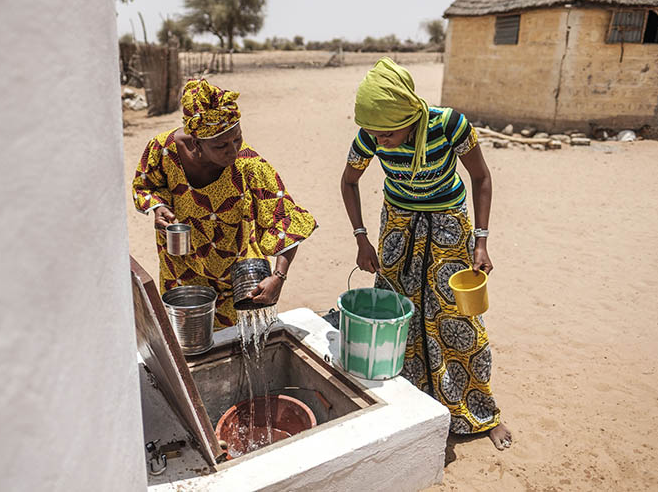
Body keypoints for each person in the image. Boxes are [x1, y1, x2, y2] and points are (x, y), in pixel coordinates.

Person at [340, 57, 512, 450]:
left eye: (386, 133)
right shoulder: (370, 136)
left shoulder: (449, 124)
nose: (378, 141)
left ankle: (479, 413)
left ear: (409, 115)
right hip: (399, 225)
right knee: (399, 312)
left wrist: (481, 240)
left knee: (456, 317)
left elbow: (481, 177)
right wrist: (362, 238)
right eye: (372, 133)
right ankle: (412, 401)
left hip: (449, 223)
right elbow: (349, 182)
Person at [133, 79, 317, 328]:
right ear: (196, 142)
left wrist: (279, 277)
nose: (233, 150)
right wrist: (157, 207)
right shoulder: (163, 150)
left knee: (231, 342)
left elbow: (285, 221)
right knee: (187, 336)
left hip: (234, 275)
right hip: (180, 268)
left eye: (237, 139)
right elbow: (145, 186)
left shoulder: (248, 165)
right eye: (221, 145)